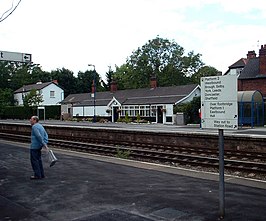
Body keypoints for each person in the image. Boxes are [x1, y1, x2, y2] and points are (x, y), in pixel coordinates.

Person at [29, 116, 48, 180]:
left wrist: (44, 144)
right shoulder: (41, 126)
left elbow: (38, 136)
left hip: (34, 146)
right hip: (39, 146)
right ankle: (41, 174)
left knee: (34, 161)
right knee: (39, 160)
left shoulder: (34, 127)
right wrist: (45, 143)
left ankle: (37, 175)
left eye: (31, 119)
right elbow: (46, 135)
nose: (30, 120)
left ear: (34, 120)